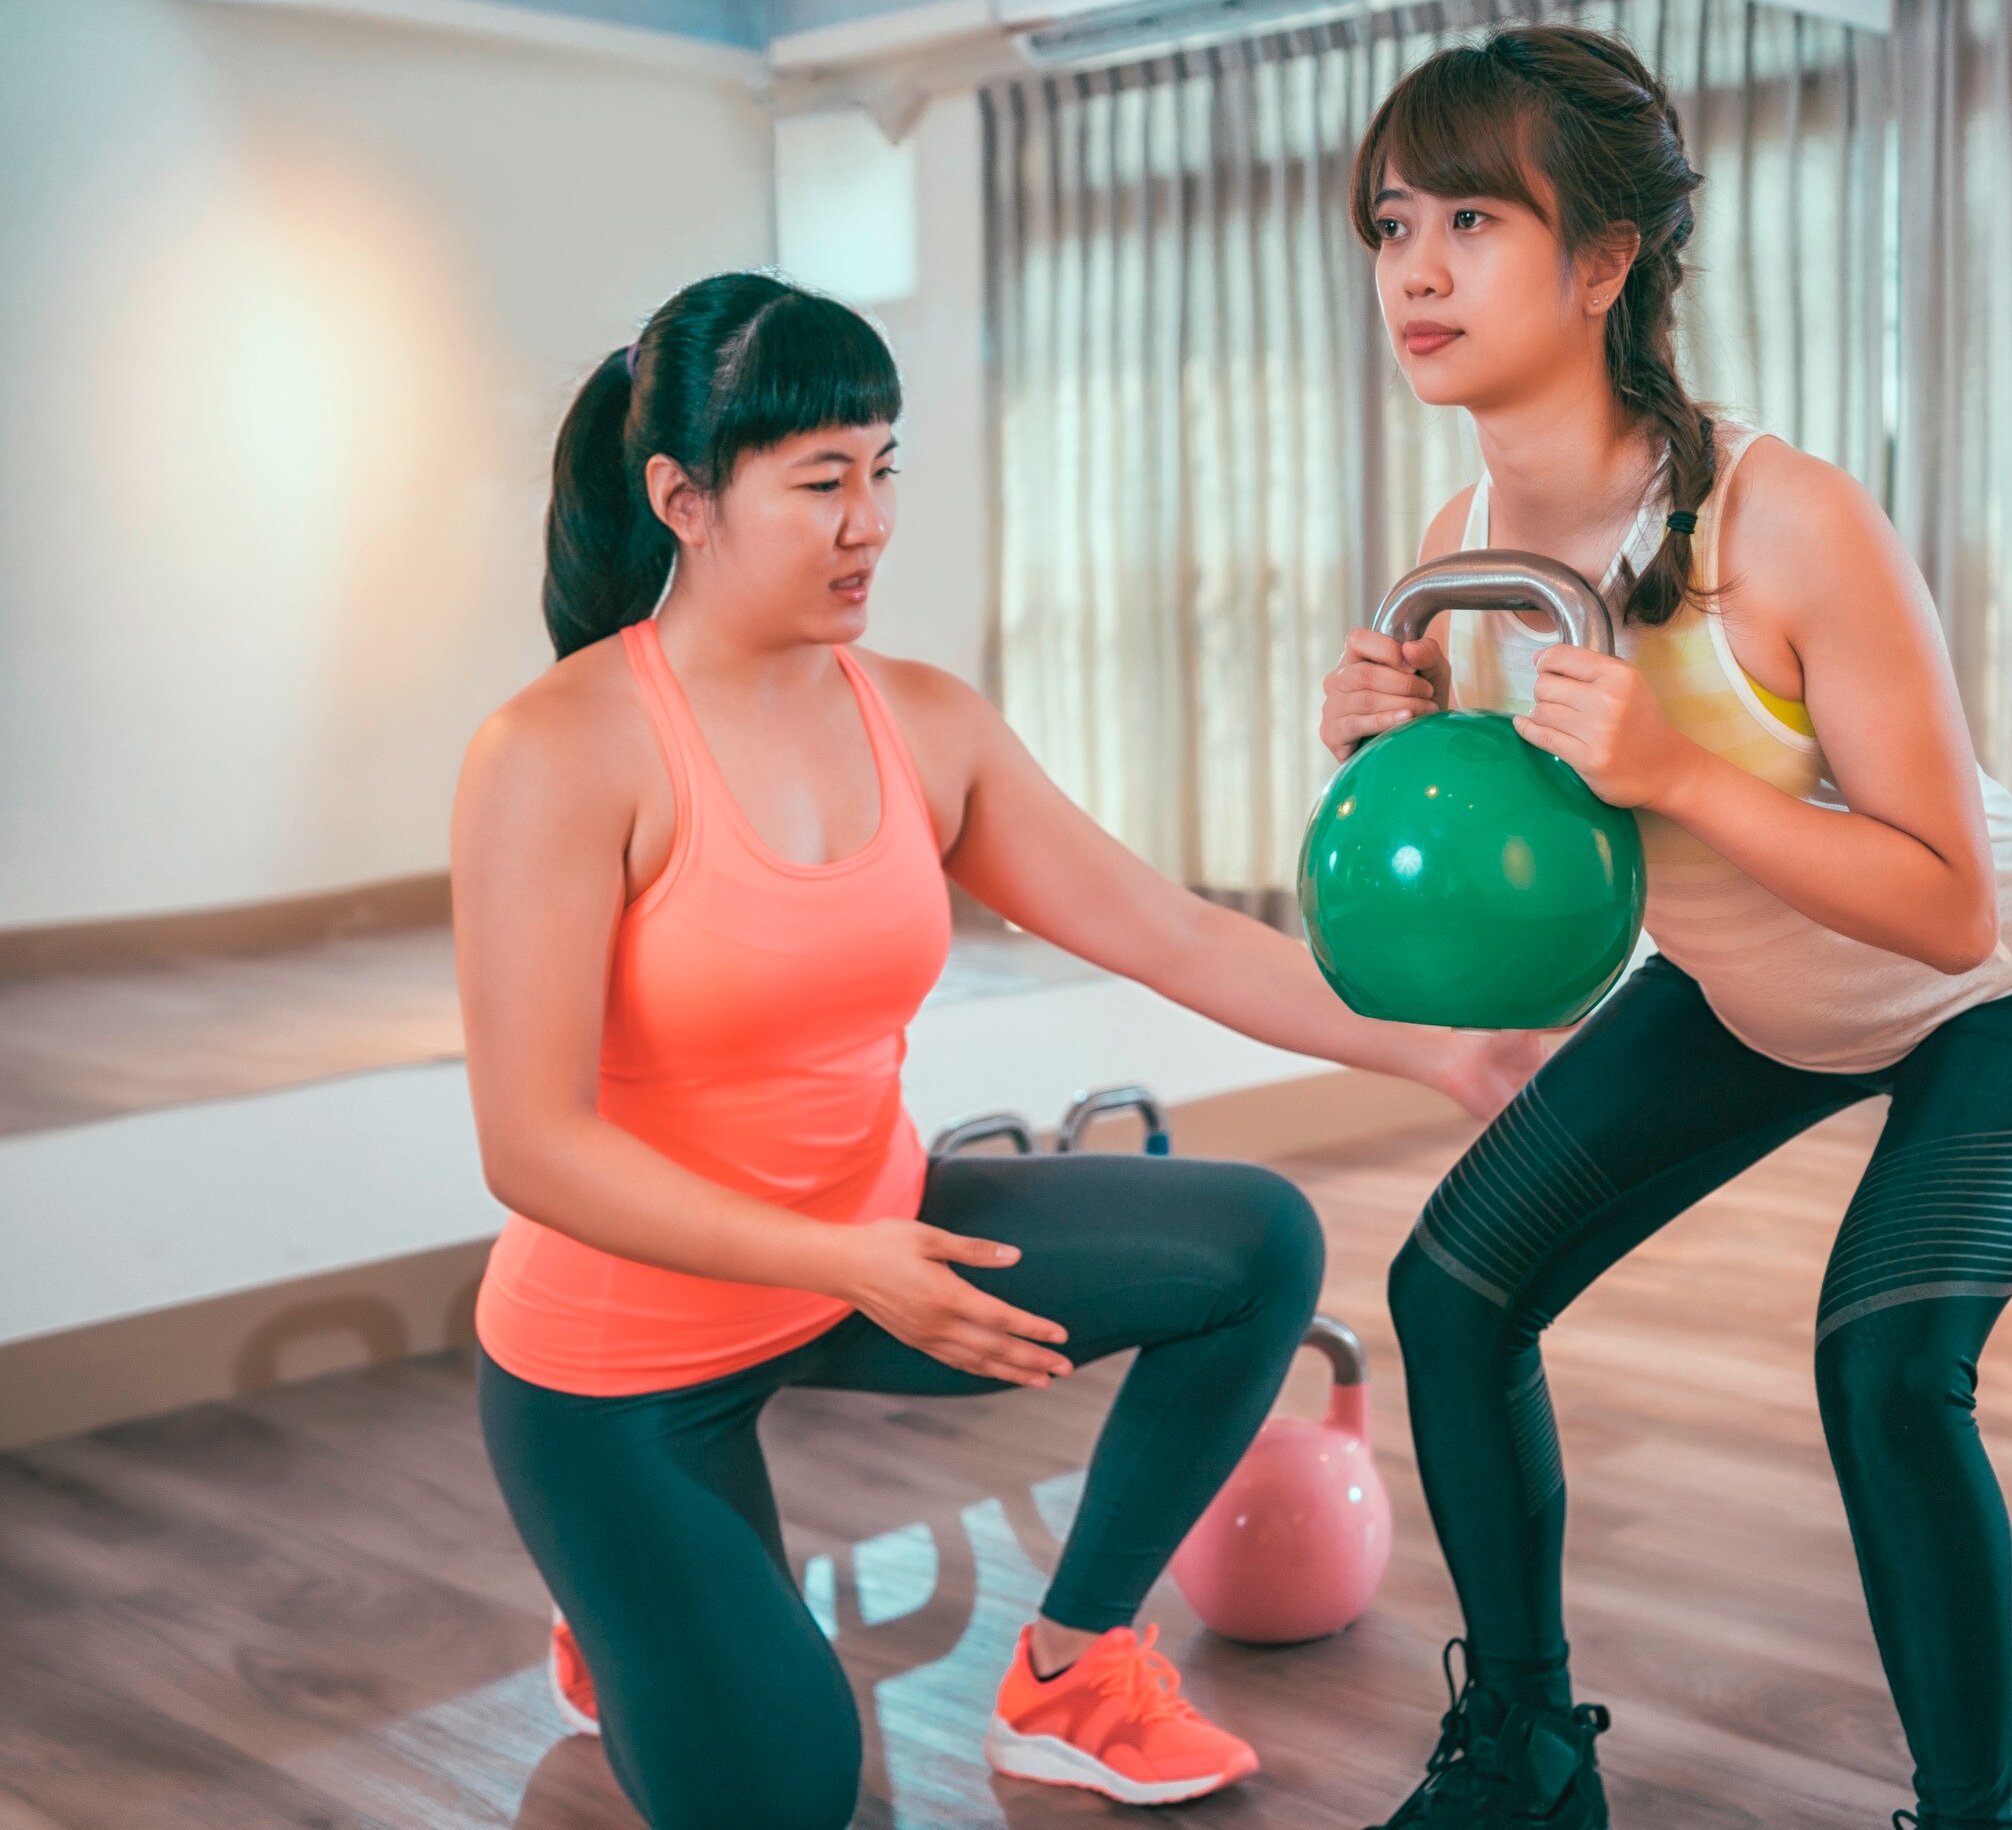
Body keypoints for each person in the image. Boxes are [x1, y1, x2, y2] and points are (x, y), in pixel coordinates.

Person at [453, 272, 1540, 1830]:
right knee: (792, 1793)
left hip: (867, 1242)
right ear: (681, 501)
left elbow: (1163, 928)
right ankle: (629, 1627)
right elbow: (533, 1150)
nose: (869, 523)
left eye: (882, 469)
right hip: (616, 1367)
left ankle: (1073, 1673)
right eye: (820, 482)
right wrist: (849, 1263)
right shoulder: (557, 753)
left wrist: (1445, 1054)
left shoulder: (920, 720)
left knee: (1255, 1241)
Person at [1321, 28, 2012, 1830]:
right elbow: (1534, 876)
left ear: (1606, 260)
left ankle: (1969, 1815)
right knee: (1449, 1291)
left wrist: (1686, 780)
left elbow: (1947, 904)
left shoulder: (1786, 520)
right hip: (1758, 994)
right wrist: (1394, 756)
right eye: (1394, 224)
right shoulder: (1463, 537)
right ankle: (1529, 1751)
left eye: (1474, 215)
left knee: (1884, 1360)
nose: (1420, 268)